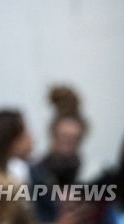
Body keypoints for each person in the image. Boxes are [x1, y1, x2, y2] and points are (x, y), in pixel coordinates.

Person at [30, 85, 89, 223]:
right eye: (63, 138)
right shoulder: (36, 173)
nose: (67, 144)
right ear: (53, 135)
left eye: (73, 139)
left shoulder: (90, 174)